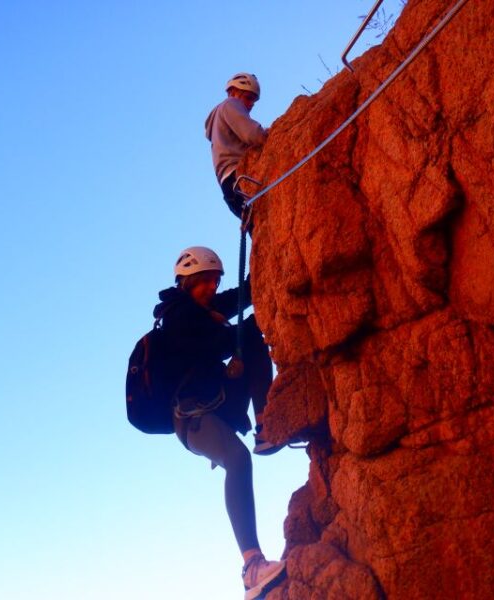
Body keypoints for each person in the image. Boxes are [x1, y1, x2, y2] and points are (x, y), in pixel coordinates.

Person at [154, 246, 285, 600]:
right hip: (191, 415)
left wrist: (261, 244)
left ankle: (266, 425)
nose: (212, 287)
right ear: (187, 283)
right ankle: (252, 566)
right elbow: (210, 344)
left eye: (214, 280)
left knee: (252, 337)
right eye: (204, 281)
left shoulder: (204, 309)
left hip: (216, 401)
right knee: (237, 460)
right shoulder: (179, 316)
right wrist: (235, 330)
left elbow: (244, 294)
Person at [205, 73, 268, 221]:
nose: (251, 104)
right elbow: (254, 135)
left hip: (229, 189)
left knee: (260, 226)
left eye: (253, 100)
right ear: (233, 92)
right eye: (248, 97)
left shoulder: (217, 124)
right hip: (240, 179)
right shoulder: (230, 104)